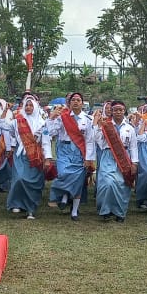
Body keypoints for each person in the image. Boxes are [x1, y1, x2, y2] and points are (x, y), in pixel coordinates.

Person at [1, 94, 53, 220]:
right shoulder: (17, 121)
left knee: (33, 183)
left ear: (35, 107)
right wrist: (4, 112)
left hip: (35, 156)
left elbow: (46, 141)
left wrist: (48, 158)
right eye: (26, 105)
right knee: (19, 179)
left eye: (31, 105)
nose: (28, 107)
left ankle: (31, 209)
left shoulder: (42, 123)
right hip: (20, 156)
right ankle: (17, 203)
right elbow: (4, 126)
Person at [45, 92, 94, 220]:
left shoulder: (88, 120)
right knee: (63, 174)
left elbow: (89, 140)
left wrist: (88, 158)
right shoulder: (63, 117)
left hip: (79, 152)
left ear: (82, 103)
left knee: (78, 181)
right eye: (73, 100)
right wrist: (51, 118)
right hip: (64, 150)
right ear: (69, 103)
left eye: (78, 100)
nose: (76, 102)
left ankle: (74, 211)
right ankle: (64, 195)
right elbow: (51, 132)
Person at [90, 100, 138, 222]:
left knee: (122, 184)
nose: (118, 112)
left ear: (124, 111)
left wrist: (135, 163)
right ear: (111, 111)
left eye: (120, 110)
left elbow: (133, 147)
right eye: (115, 109)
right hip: (108, 156)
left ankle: (120, 212)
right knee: (107, 183)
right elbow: (98, 140)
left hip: (124, 158)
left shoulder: (129, 128)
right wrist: (97, 126)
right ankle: (105, 210)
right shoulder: (106, 125)